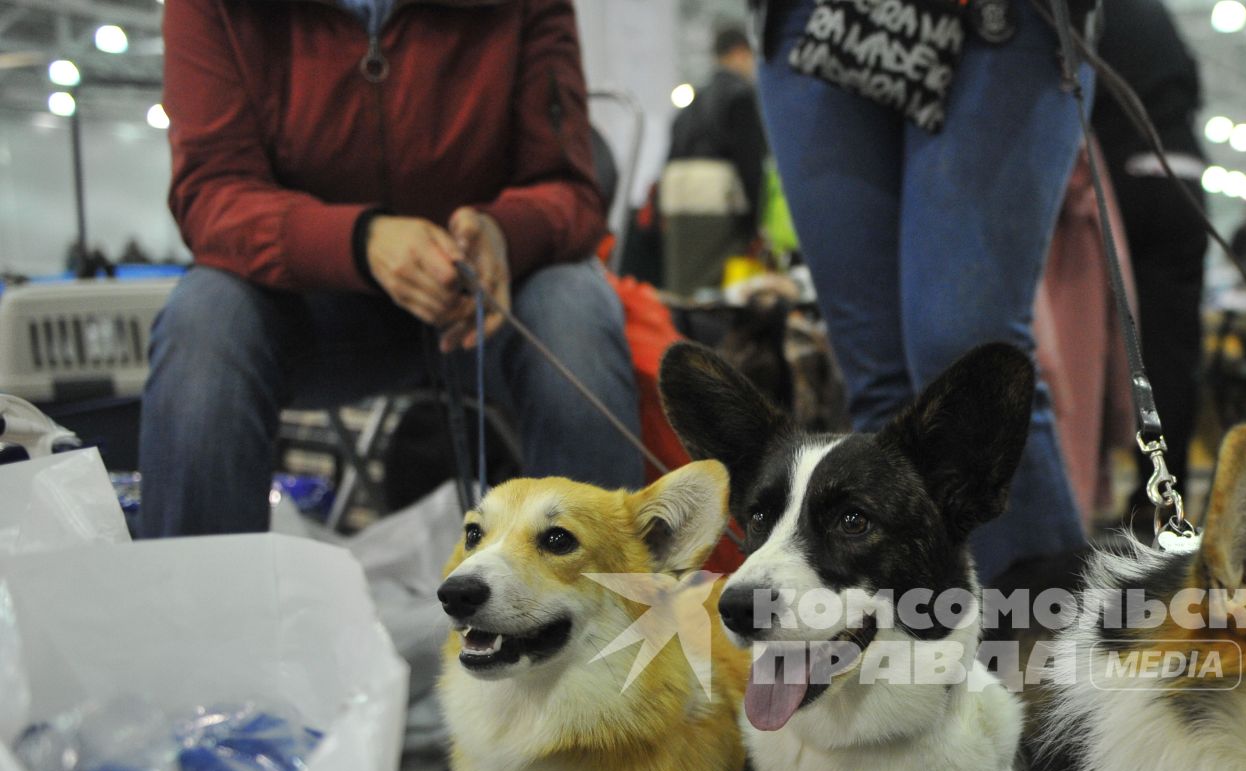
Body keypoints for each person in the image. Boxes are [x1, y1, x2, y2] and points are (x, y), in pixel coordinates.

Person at [142, 0, 642, 538]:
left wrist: (502, 233)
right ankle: (195, 608)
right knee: (205, 319)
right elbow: (211, 193)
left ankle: (607, 607)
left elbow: (571, 191)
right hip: (308, 302)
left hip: (484, 299)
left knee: (576, 308)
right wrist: (361, 242)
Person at [753, 0, 1092, 582]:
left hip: (1002, 26)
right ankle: (915, 643)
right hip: (815, 21)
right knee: (878, 377)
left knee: (966, 350)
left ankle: (1042, 631)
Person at [1090, 0, 1208, 490]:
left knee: (1099, 339)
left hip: (1123, 180)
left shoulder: (1091, 15)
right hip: (1183, 178)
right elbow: (1192, 85)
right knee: (1173, 351)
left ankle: (1091, 482)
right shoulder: (1157, 17)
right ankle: (1163, 489)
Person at [660, 25, 770, 295]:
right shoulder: (740, 95)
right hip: (718, 206)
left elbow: (670, 153)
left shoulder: (693, 100)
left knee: (683, 290)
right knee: (717, 291)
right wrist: (759, 219)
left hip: (677, 204)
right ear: (741, 53)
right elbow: (750, 162)